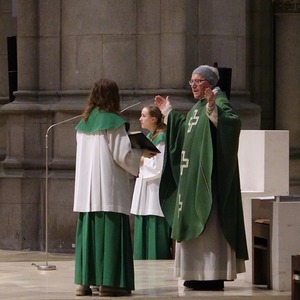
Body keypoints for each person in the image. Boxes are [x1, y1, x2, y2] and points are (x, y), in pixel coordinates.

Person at [154, 65, 248, 291]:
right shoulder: (197, 107)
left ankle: (213, 274)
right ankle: (195, 273)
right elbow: (185, 130)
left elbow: (232, 124)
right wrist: (169, 112)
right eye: (191, 81)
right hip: (192, 182)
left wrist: (214, 110)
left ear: (210, 83)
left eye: (197, 81)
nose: (193, 85)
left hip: (210, 185)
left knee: (210, 229)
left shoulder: (220, 102)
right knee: (193, 229)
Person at [73, 78, 156, 297]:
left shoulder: (83, 123)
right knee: (110, 233)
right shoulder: (114, 122)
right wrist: (141, 154)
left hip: (87, 192)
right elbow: (123, 155)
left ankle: (84, 283)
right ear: (114, 96)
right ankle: (110, 283)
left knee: (89, 235)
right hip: (107, 189)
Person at [131, 105, 172, 260]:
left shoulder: (161, 138)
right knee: (143, 216)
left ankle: (156, 258)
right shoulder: (148, 137)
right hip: (144, 185)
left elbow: (158, 167)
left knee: (153, 219)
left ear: (153, 119)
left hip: (155, 187)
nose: (140, 119)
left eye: (143, 116)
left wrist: (140, 158)